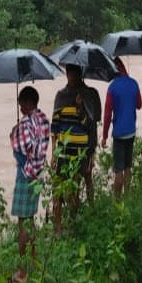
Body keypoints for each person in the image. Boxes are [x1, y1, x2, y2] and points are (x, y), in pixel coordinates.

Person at [9, 86, 50, 283]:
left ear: (27, 102)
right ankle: (34, 262)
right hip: (38, 175)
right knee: (31, 219)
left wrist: (13, 133)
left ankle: (22, 271)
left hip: (25, 176)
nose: (19, 106)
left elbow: (21, 149)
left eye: (20, 102)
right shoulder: (43, 119)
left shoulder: (25, 124)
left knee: (22, 222)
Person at [51, 64, 96, 232]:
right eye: (69, 73)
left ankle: (71, 223)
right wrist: (54, 152)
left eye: (75, 73)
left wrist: (80, 109)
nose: (71, 76)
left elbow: (88, 125)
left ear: (79, 75)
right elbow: (55, 125)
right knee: (58, 187)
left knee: (75, 187)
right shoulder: (60, 96)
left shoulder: (86, 95)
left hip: (80, 149)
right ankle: (58, 225)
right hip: (63, 149)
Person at [101, 57, 142, 197]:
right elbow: (139, 105)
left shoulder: (112, 87)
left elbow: (107, 115)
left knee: (118, 169)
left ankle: (117, 202)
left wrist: (105, 136)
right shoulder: (134, 83)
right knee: (127, 166)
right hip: (131, 132)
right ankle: (128, 197)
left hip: (118, 133)